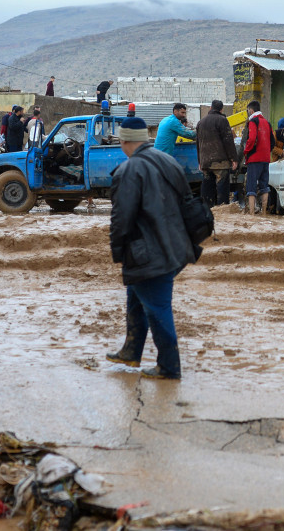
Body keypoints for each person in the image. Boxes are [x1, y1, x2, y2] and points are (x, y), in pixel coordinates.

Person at [107, 117, 197, 380]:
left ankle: (169, 367)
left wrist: (117, 252)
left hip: (148, 252)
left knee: (158, 308)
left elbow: (120, 218)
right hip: (174, 246)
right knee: (136, 298)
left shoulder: (129, 170)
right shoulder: (167, 160)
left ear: (124, 141)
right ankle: (131, 351)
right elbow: (188, 202)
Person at [195, 99, 238, 206]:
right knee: (222, 190)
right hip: (220, 162)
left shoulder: (201, 122)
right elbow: (228, 141)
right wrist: (234, 159)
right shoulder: (222, 120)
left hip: (205, 162)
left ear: (210, 108)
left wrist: (200, 161)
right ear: (221, 109)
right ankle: (223, 213)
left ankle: (207, 211)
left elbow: (198, 143)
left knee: (207, 189)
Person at [242, 100, 273, 215]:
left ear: (251, 110)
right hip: (266, 159)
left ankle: (251, 214)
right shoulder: (267, 122)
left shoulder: (253, 121)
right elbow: (272, 142)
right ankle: (264, 212)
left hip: (254, 159)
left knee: (251, 186)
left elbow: (251, 139)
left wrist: (246, 151)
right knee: (264, 186)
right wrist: (266, 152)